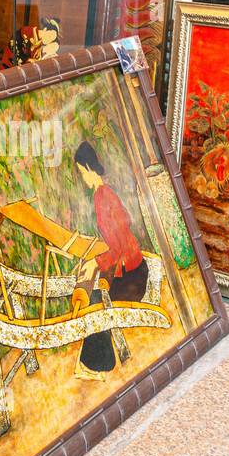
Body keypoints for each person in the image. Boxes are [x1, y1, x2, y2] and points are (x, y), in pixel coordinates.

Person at [73, 141, 149, 381]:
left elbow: (118, 247)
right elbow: (114, 241)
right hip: (131, 270)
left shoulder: (103, 197)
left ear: (88, 168)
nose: (82, 177)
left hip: (133, 277)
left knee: (96, 301)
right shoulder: (102, 194)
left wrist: (95, 263)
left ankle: (97, 365)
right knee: (95, 291)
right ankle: (97, 362)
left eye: (82, 172)